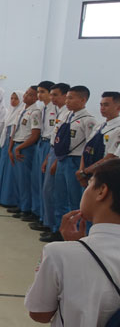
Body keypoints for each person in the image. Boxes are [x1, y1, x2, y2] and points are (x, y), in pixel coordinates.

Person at [24, 159, 120, 327]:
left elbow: (39, 313)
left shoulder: (60, 254)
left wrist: (70, 247)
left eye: (90, 184)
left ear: (102, 192)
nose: (85, 190)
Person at [49, 86, 98, 242]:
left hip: (76, 161)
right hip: (63, 159)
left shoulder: (88, 120)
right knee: (60, 197)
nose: (67, 101)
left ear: (82, 100)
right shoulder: (67, 116)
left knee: (75, 199)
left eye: (71, 98)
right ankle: (60, 229)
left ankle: (77, 234)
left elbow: (90, 147)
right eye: (67, 98)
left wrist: (83, 169)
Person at [39, 83, 71, 241]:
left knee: (57, 194)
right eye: (51, 95)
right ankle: (50, 224)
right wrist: (47, 159)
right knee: (48, 191)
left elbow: (66, 144)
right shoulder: (60, 112)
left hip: (61, 156)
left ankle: (58, 229)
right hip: (52, 151)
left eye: (55, 95)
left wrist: (56, 161)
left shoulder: (69, 115)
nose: (52, 98)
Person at [9, 86, 42, 221]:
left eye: (30, 94)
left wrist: (19, 148)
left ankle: (27, 208)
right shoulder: (21, 110)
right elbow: (15, 130)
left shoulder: (35, 112)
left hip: (25, 147)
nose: (26, 96)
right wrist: (10, 148)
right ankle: (20, 204)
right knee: (18, 179)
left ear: (36, 98)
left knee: (25, 180)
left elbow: (35, 135)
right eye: (26, 93)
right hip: (16, 145)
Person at [78, 92, 120, 183]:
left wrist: (86, 171)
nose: (102, 108)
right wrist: (81, 170)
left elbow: (111, 156)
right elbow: (87, 148)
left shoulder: (117, 129)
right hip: (88, 172)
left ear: (118, 107)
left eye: (106, 105)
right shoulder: (99, 126)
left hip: (104, 174)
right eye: (101, 105)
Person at [30, 81, 57, 223]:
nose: (39, 95)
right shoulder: (42, 108)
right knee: (36, 180)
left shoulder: (56, 109)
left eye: (43, 92)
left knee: (46, 184)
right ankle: (37, 212)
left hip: (49, 145)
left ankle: (45, 218)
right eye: (38, 92)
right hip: (42, 142)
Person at [0, 90, 24, 208]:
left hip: (13, 144)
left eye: (16, 99)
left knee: (11, 173)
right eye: (11, 98)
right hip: (5, 143)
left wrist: (10, 147)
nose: (13, 101)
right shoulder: (9, 111)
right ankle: (0, 197)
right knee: (3, 170)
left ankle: (10, 200)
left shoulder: (20, 112)